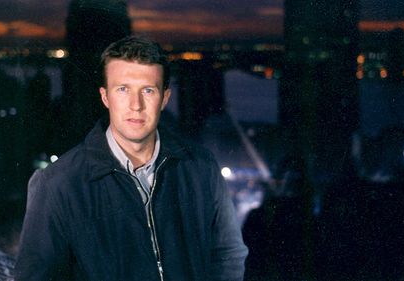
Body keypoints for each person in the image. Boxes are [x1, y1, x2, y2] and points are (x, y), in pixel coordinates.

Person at [15, 36, 248, 281]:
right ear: (105, 97)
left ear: (165, 98)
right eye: (123, 89)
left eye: (148, 90)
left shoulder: (201, 167)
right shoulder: (57, 184)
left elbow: (228, 255)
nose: (136, 105)